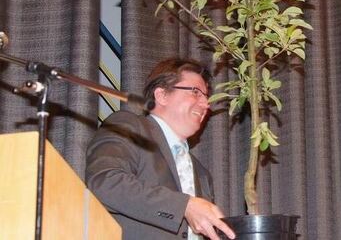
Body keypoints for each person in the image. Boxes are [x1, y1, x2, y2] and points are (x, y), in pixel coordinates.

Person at [86, 58, 236, 240]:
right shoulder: (130, 126)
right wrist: (184, 206)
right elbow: (105, 182)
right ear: (162, 95)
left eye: (206, 96)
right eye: (196, 92)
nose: (206, 104)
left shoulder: (202, 173)